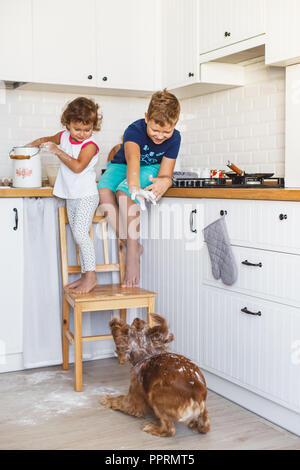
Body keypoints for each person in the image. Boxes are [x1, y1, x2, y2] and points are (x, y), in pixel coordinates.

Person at [98, 89, 181, 288]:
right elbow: (133, 160)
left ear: (175, 124)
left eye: (166, 132)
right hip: (123, 164)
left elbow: (165, 172)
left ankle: (133, 255)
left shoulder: (175, 138)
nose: (160, 136)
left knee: (123, 194)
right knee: (103, 191)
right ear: (146, 118)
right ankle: (130, 242)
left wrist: (165, 181)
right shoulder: (134, 130)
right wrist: (134, 186)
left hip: (150, 168)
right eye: (155, 130)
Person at [27, 97, 102, 294]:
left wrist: (57, 152)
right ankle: (86, 276)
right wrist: (29, 147)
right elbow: (46, 140)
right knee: (77, 235)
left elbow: (77, 167)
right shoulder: (63, 136)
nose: (82, 134)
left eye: (87, 129)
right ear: (67, 124)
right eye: (77, 129)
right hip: (71, 195)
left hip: (86, 195)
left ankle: (91, 276)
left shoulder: (90, 145)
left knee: (79, 233)